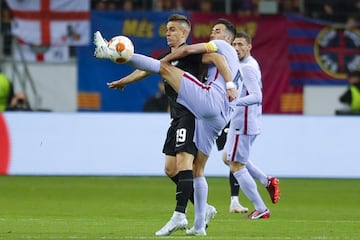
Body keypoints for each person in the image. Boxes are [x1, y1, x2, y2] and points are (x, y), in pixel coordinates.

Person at [94, 18, 240, 236]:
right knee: (188, 169)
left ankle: (180, 214)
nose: (212, 35)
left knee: (185, 164)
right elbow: (151, 68)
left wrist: (229, 84)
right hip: (211, 116)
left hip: (197, 110)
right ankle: (200, 222)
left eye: (217, 31)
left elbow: (213, 58)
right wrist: (125, 80)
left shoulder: (211, 49)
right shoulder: (172, 58)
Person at [222, 31, 280, 219]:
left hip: (243, 123)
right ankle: (267, 181)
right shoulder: (245, 64)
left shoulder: (247, 67)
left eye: (241, 45)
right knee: (227, 157)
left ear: (249, 47)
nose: (237, 48)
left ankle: (261, 208)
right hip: (241, 120)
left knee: (236, 165)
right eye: (234, 45)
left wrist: (234, 101)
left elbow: (257, 96)